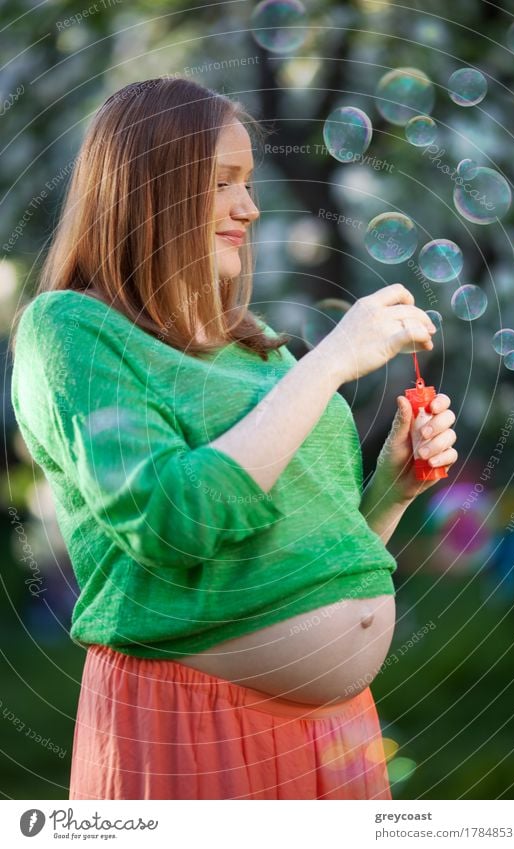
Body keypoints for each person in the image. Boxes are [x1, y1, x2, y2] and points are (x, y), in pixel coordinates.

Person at [10, 77, 458, 800]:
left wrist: (390, 491)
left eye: (248, 183)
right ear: (147, 191)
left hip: (335, 730)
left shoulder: (258, 352)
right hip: (195, 722)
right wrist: (332, 359)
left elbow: (309, 560)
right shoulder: (70, 330)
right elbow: (172, 521)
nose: (248, 209)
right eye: (222, 183)